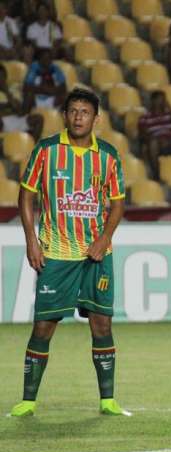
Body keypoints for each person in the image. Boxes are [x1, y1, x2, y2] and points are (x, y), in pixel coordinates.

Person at [10, 88, 128, 418]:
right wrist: (32, 241)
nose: (79, 117)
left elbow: (118, 204)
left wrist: (104, 239)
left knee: (102, 325)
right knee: (44, 326)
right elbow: (26, 196)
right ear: (65, 115)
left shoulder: (107, 155)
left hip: (96, 255)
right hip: (57, 253)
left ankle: (108, 400)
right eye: (73, 111)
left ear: (96, 118)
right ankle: (28, 401)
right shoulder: (46, 151)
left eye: (85, 112)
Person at [0, 64, 42, 139]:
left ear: (5, 77)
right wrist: (9, 106)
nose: (0, 80)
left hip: (17, 118)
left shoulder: (14, 89)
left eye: (2, 77)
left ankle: (31, 146)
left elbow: (18, 109)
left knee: (39, 119)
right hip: (2, 122)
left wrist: (6, 91)